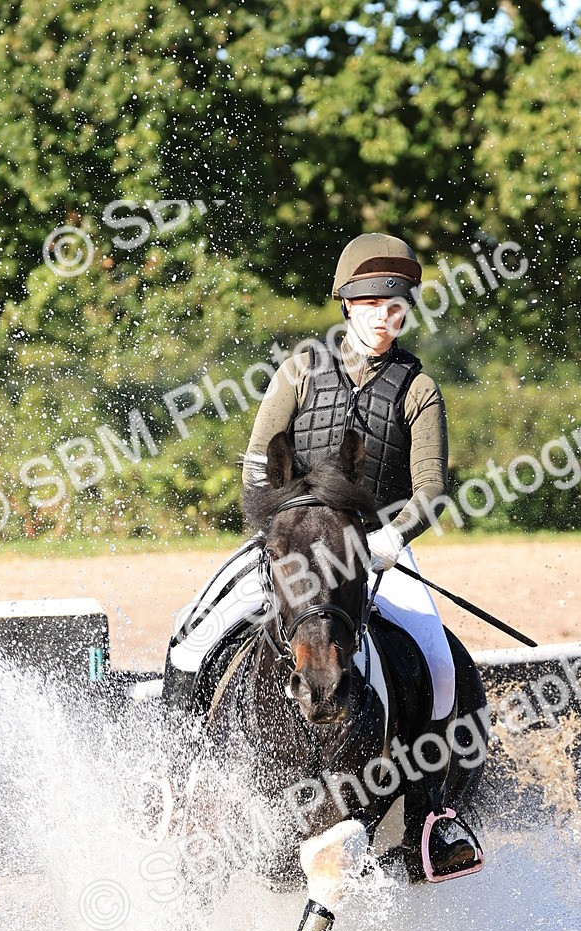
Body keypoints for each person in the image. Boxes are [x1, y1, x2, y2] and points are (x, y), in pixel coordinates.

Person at [165, 233, 477, 875]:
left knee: (439, 662)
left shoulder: (419, 389)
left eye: (396, 308)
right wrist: (271, 527)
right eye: (372, 307)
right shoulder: (301, 370)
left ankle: (431, 817)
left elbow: (432, 490)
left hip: (374, 547)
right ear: (347, 307)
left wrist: (389, 539)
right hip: (286, 541)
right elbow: (257, 457)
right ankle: (176, 784)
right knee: (195, 641)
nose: (385, 320)